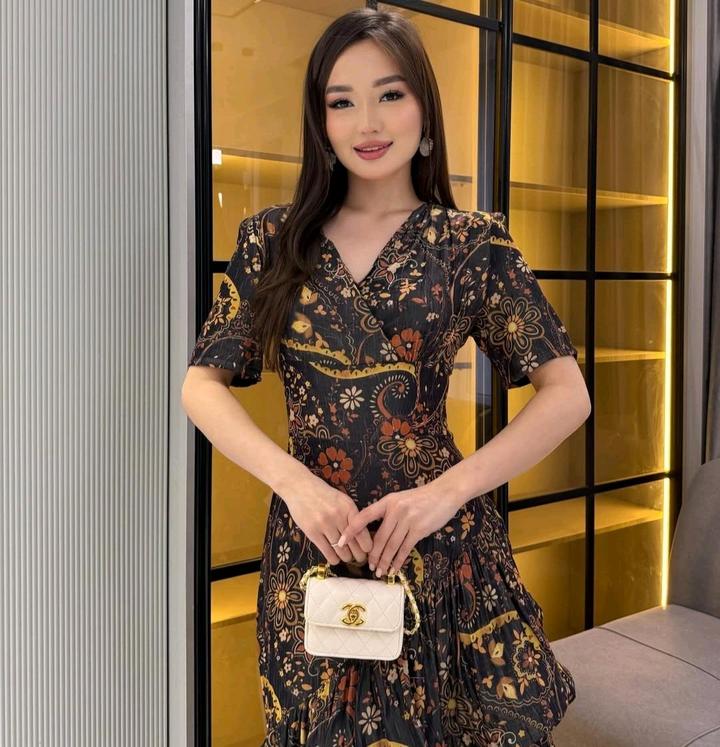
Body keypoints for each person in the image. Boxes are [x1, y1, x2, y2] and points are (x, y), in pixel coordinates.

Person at [181, 7, 590, 746]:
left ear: (424, 109)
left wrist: (445, 494)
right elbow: (201, 385)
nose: (366, 122)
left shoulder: (472, 245)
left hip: (439, 544)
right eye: (342, 101)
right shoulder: (273, 240)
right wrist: (295, 483)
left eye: (390, 94)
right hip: (316, 542)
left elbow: (567, 395)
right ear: (321, 122)